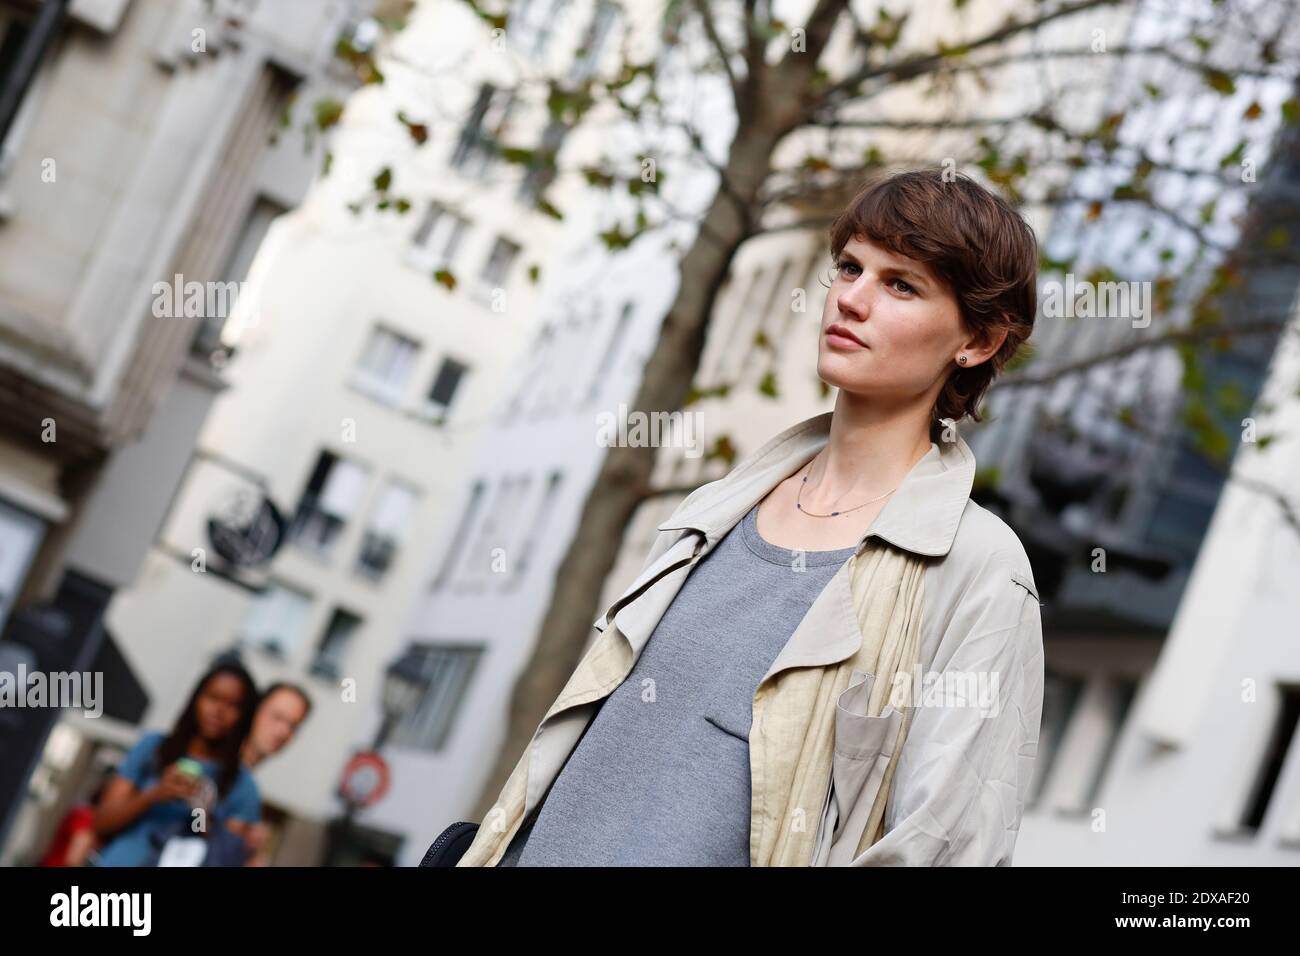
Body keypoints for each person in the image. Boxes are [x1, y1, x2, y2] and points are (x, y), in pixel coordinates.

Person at [461, 168, 1046, 867]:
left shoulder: (978, 569)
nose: (852, 300)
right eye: (850, 268)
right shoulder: (715, 508)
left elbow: (947, 843)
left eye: (901, 285)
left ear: (977, 342)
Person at [92, 661, 262, 866]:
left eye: (233, 705)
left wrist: (200, 811)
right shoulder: (154, 747)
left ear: (245, 716)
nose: (219, 710)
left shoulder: (242, 785)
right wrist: (156, 794)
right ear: (196, 699)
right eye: (213, 697)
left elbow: (223, 859)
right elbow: (101, 822)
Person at [235, 682, 312, 865]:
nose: (283, 732)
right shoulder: (216, 764)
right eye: (277, 717)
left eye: (293, 726)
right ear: (255, 710)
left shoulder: (248, 787)